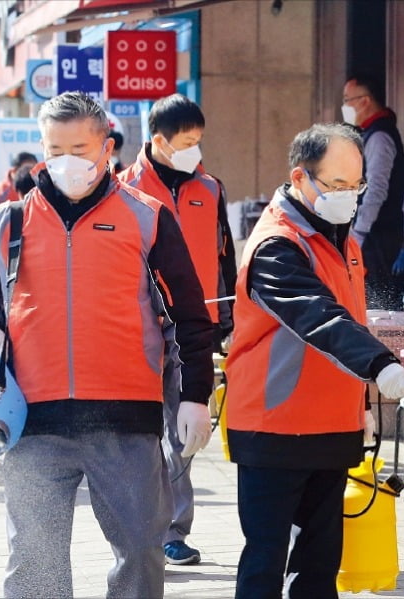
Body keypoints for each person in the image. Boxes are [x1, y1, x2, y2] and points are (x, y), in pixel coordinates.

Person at [0, 91, 214, 598]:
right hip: (34, 419)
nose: (67, 161)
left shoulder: (148, 217)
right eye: (55, 148)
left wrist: (195, 395)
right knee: (34, 561)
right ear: (41, 148)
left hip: (126, 420)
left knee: (141, 550)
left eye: (80, 147)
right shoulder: (10, 221)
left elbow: (188, 311)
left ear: (107, 147)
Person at [225, 123, 404, 599]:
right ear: (301, 177)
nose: (349, 196)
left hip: (332, 427)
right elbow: (317, 315)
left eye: (357, 186)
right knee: (265, 561)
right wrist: (379, 364)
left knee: (320, 565)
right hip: (274, 428)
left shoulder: (342, 239)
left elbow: (352, 319)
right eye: (337, 186)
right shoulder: (277, 244)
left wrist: (362, 407)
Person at [119, 93, 237, 565]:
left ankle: (172, 531)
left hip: (195, 327)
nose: (196, 150)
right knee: (144, 434)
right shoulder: (123, 189)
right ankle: (143, 525)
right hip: (140, 327)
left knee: (186, 431)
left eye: (199, 141)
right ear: (158, 141)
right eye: (187, 141)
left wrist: (226, 323)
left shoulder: (209, 188)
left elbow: (224, 256)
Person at [342, 74, 404, 310]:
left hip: (376, 237)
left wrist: (358, 234)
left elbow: (376, 190)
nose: (345, 106)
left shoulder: (380, 136)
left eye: (348, 99)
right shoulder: (370, 134)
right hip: (373, 235)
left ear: (365, 100)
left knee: (374, 306)